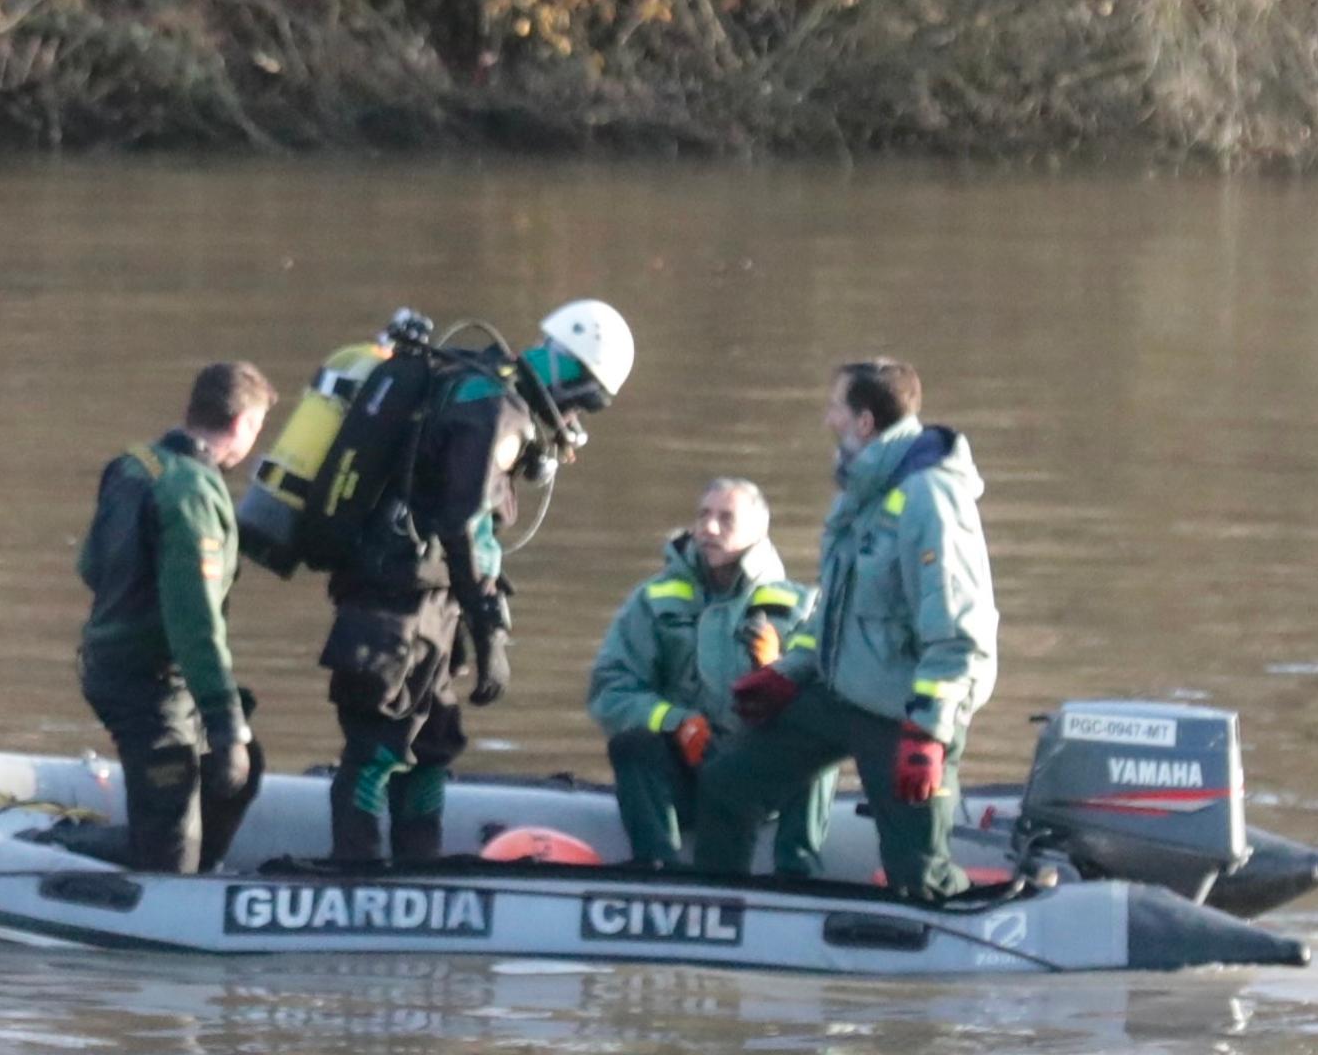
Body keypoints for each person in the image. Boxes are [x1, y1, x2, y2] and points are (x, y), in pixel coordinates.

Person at [319, 300, 635, 863]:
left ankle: (420, 875)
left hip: (427, 603)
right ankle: (358, 884)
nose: (576, 420)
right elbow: (464, 523)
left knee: (433, 744)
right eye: (582, 402)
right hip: (394, 600)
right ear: (570, 371)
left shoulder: (474, 383)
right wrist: (489, 628)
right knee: (378, 745)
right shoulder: (499, 411)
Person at [693, 358, 998, 899]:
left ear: (863, 422)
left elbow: (959, 632)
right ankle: (721, 913)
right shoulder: (863, 492)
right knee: (726, 786)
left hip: (905, 716)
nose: (827, 419)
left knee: (918, 877)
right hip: (837, 694)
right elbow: (835, 610)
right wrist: (789, 672)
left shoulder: (930, 498)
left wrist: (928, 732)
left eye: (836, 407)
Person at [75, 361, 278, 873]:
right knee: (167, 856)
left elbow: (91, 566)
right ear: (241, 426)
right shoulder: (191, 495)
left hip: (119, 665)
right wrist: (225, 722)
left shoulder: (134, 465)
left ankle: (197, 874)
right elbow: (196, 622)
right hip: (149, 685)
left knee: (239, 772)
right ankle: (69, 849)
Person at [587, 478, 834, 875]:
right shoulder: (652, 600)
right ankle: (657, 868)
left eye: (726, 518)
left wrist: (777, 672)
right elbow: (610, 689)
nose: (709, 528)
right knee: (632, 746)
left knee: (821, 743)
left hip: (764, 780)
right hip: (685, 776)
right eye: (703, 516)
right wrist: (674, 720)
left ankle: (798, 871)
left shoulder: (802, 607)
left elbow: (829, 696)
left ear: (759, 530)